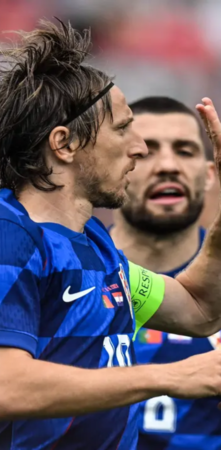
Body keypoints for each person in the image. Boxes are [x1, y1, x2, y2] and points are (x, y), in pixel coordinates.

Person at [0, 20, 221, 450]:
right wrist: (169, 376)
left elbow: (198, 309)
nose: (140, 147)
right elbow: (4, 389)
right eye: (124, 128)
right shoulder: (5, 238)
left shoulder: (92, 242)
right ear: (64, 144)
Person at [110, 96, 219, 450]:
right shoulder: (66, 274)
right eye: (147, 151)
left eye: (185, 151)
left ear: (210, 174)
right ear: (115, 165)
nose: (168, 166)